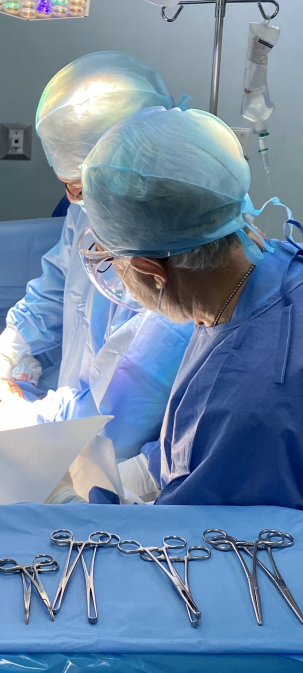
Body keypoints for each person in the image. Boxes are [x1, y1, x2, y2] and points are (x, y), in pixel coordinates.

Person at [79, 103, 303, 507]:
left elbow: (195, 541)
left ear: (150, 268)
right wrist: (137, 475)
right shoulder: (268, 272)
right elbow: (191, 447)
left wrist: (106, 508)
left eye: (113, 260)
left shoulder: (244, 401)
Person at [0, 52, 194, 460]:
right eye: (67, 185)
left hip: (119, 461)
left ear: (124, 175)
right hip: (73, 424)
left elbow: (114, 422)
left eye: (82, 188)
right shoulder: (91, 212)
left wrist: (23, 421)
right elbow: (55, 285)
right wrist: (10, 347)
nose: (73, 200)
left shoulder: (182, 261)